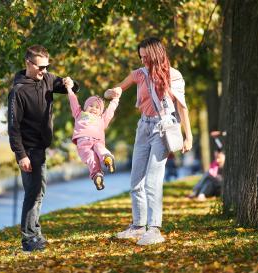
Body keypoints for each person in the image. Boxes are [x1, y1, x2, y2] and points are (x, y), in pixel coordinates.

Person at [105, 37, 193, 245]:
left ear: (156, 55)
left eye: (146, 57)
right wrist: (112, 92)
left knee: (153, 180)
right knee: (136, 180)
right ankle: (138, 226)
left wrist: (188, 135)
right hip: (143, 128)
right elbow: (119, 88)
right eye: (140, 57)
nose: (143, 61)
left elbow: (182, 107)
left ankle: (154, 229)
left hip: (162, 129)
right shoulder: (139, 74)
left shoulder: (174, 76)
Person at [7, 45, 79, 252]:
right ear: (28, 64)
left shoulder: (47, 78)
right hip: (28, 150)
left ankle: (34, 233)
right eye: (40, 67)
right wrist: (21, 155)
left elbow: (70, 88)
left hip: (41, 147)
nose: (44, 71)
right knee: (33, 192)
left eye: (47, 66)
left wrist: (71, 84)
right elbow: (13, 128)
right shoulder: (17, 92)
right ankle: (29, 239)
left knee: (39, 190)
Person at [65, 85, 120, 190]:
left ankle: (106, 158)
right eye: (91, 106)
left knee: (98, 150)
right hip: (84, 143)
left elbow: (110, 111)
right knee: (91, 158)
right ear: (85, 107)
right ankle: (97, 176)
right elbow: (73, 101)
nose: (94, 109)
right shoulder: (79, 113)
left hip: (95, 141)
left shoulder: (102, 118)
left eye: (97, 107)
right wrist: (69, 89)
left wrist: (115, 99)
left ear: (101, 111)